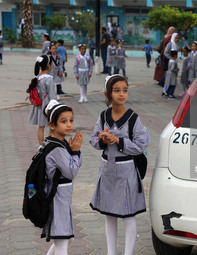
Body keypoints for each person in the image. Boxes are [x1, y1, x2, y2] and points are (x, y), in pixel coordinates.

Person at [89, 74, 150, 255]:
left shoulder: (133, 118)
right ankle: (111, 252)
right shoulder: (103, 116)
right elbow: (93, 139)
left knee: (128, 216)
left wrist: (118, 140)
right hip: (107, 170)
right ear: (108, 94)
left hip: (126, 172)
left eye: (125, 90)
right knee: (109, 214)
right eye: (116, 91)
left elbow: (140, 145)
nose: (121, 94)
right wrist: (102, 140)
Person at [41, 99, 83, 254]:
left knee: (66, 238)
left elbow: (73, 166)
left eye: (71, 120)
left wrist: (73, 151)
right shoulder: (56, 148)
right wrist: (76, 151)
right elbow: (71, 172)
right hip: (56, 198)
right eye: (63, 121)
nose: (69, 125)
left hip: (61, 198)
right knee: (62, 241)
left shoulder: (60, 143)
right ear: (52, 125)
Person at [27, 55, 56, 145]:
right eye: (51, 63)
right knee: (52, 125)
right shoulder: (49, 79)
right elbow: (52, 95)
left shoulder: (37, 77)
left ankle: (41, 145)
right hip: (48, 105)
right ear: (49, 65)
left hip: (39, 104)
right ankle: (48, 143)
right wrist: (56, 105)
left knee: (41, 126)